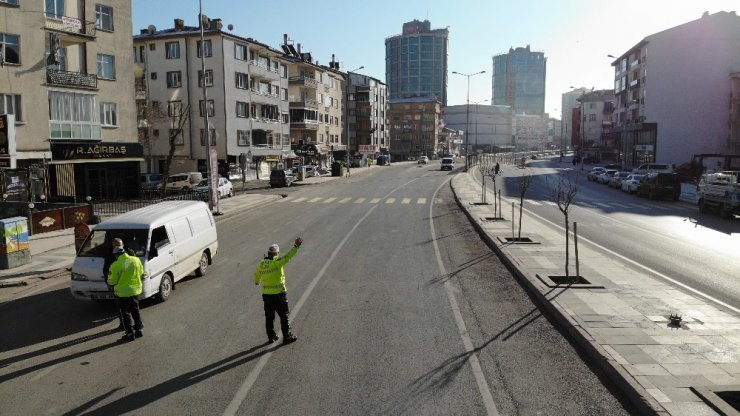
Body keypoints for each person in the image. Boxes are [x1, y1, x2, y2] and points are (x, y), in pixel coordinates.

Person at [254, 238, 302, 345]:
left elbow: (257, 275)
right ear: (276, 254)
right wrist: (296, 246)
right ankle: (287, 337)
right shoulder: (277, 263)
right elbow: (288, 256)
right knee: (284, 316)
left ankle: (271, 337)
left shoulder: (261, 263)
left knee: (269, 317)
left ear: (268, 253)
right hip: (279, 295)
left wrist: (257, 281)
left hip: (266, 296)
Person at [107, 246, 145, 342]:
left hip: (122, 293)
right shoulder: (136, 260)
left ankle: (130, 334)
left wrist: (109, 280)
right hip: (135, 291)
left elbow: (112, 281)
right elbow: (141, 273)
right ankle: (139, 330)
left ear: (116, 255)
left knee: (125, 313)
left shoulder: (115, 265)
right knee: (135, 310)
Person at [103, 237, 126, 330]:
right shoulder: (110, 256)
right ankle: (125, 324)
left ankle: (133, 326)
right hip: (117, 287)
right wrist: (108, 283)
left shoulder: (129, 253)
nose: (117, 248)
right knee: (120, 308)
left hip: (127, 286)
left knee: (129, 308)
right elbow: (105, 271)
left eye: (118, 245)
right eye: (115, 246)